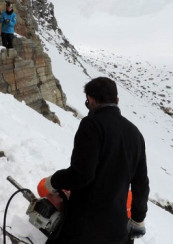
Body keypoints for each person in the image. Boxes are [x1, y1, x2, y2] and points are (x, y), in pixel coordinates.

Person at [42, 77, 150, 244]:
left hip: (85, 227)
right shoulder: (135, 134)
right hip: (118, 230)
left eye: (88, 102)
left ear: (91, 99)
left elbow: (82, 174)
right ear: (117, 100)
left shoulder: (92, 124)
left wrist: (54, 181)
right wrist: (137, 218)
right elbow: (141, 184)